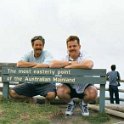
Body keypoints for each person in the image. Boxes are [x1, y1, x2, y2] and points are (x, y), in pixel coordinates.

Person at [50, 35, 97, 116]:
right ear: (67, 48)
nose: (72, 48)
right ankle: (71, 103)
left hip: (84, 85)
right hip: (70, 86)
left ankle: (84, 104)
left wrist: (71, 66)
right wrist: (70, 63)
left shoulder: (85, 55)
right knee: (60, 91)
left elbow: (89, 64)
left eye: (74, 46)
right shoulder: (65, 58)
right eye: (70, 46)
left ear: (79, 46)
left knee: (93, 92)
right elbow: (52, 64)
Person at [9, 36, 56, 103]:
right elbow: (19, 64)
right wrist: (35, 64)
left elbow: (46, 65)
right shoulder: (29, 54)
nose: (38, 47)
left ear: (43, 46)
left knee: (51, 95)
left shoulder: (47, 54)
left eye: (40, 45)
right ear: (32, 46)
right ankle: (30, 100)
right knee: (12, 92)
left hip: (46, 83)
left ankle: (45, 104)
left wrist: (29, 66)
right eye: (36, 45)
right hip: (31, 83)